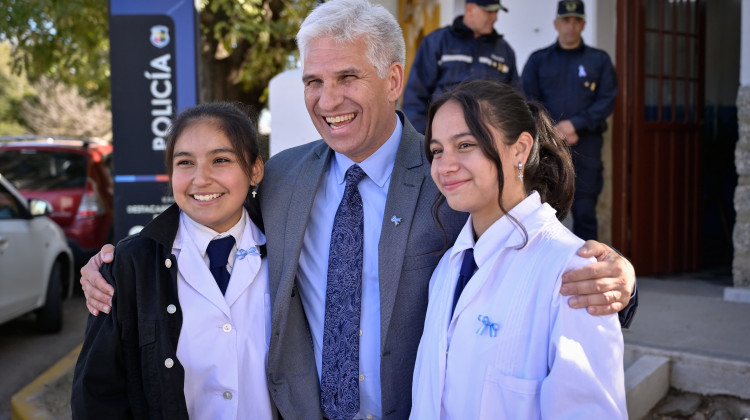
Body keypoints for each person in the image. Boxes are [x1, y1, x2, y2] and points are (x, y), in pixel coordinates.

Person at [81, 0, 636, 418]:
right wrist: (117, 263)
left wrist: (620, 283)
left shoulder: (449, 170)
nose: (328, 101)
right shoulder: (281, 176)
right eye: (314, 82)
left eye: (348, 77)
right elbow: (207, 203)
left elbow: (531, 239)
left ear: (393, 79)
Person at [410, 80, 626, 418]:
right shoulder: (449, 266)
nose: (445, 165)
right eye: (437, 151)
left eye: (465, 144)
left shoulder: (573, 274)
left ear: (520, 150)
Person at [71, 102, 273, 419]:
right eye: (185, 163)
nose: (201, 178)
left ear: (255, 169)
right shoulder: (129, 265)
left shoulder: (288, 251)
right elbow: (97, 395)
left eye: (220, 160)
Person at [522, 0, 617, 241]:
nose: (571, 26)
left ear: (583, 24)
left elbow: (606, 99)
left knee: (585, 213)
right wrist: (553, 132)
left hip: (586, 147)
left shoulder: (599, 60)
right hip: (547, 148)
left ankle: (588, 270)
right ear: (556, 24)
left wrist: (576, 125)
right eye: (566, 21)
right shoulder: (538, 60)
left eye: (576, 21)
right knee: (544, 211)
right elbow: (526, 101)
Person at [402, 0, 520, 134]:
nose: (495, 17)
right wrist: (422, 141)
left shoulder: (505, 51)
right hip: (442, 137)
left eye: (496, 11)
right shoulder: (436, 43)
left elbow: (515, 102)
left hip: (488, 140)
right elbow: (415, 97)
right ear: (470, 9)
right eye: (489, 11)